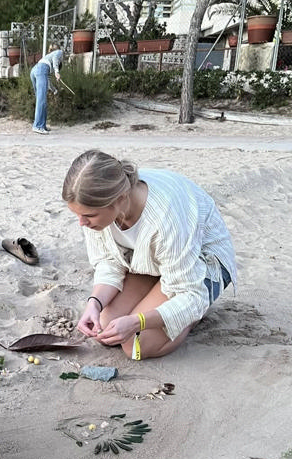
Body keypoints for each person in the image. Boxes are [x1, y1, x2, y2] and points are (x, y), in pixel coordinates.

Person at [62, 149, 237, 360]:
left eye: (89, 215)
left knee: (136, 346)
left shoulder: (165, 218)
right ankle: (161, 304)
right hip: (151, 262)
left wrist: (138, 321)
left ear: (120, 199)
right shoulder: (100, 207)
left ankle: (190, 319)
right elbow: (109, 262)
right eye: (78, 214)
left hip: (201, 267)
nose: (82, 223)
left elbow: (191, 295)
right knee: (106, 328)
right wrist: (95, 303)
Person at [29, 43, 63, 135]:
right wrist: (57, 72)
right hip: (40, 70)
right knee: (42, 101)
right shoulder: (59, 52)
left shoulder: (46, 60)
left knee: (40, 100)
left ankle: (42, 125)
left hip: (34, 70)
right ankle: (37, 126)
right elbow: (56, 59)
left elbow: (47, 81)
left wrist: (54, 90)